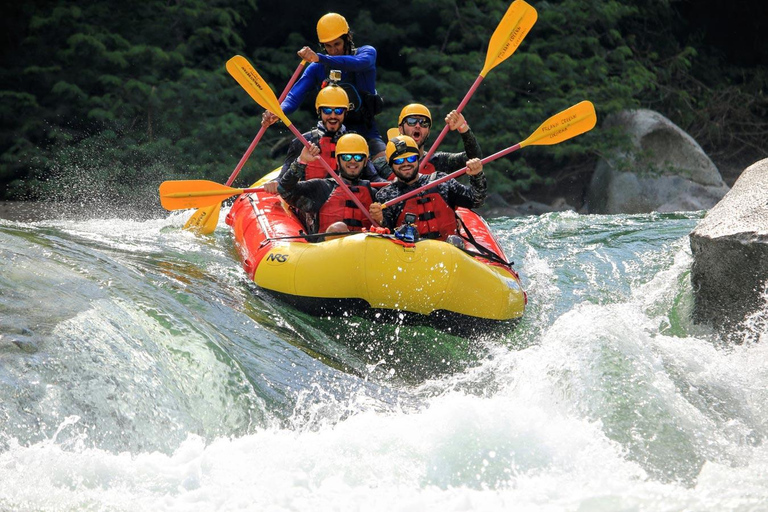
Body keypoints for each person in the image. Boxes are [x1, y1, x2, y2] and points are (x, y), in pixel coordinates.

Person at [262, 13, 386, 159]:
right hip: (329, 137)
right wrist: (278, 112)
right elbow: (293, 97)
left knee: (384, 163)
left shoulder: (366, 53)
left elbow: (359, 63)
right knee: (299, 149)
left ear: (348, 38)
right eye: (328, 46)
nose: (333, 51)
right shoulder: (317, 68)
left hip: (366, 135)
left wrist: (321, 58)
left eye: (337, 44)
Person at [263, 85, 381, 193]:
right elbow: (284, 176)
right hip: (309, 205)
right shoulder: (302, 141)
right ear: (319, 111)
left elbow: (373, 178)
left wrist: (393, 185)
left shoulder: (356, 142)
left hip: (343, 204)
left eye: (339, 111)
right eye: (327, 111)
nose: (333, 116)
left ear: (346, 112)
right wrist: (275, 182)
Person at [369, 135, 487, 241]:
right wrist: (380, 219)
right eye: (399, 160)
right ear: (391, 165)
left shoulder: (441, 182)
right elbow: (387, 232)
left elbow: (476, 200)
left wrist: (477, 175)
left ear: (417, 159)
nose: (406, 164)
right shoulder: (386, 195)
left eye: (410, 158)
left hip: (450, 253)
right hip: (411, 257)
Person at [274, 133, 377, 235]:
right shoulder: (321, 188)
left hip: (364, 249)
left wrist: (381, 220)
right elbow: (284, 190)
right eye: (346, 157)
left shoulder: (373, 195)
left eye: (358, 158)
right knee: (339, 228)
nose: (353, 161)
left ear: (365, 162)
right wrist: (302, 161)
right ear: (337, 160)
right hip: (327, 249)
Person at [372, 103, 482, 180]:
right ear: (400, 129)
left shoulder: (438, 161)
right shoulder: (382, 164)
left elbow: (474, 158)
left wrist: (463, 127)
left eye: (424, 123)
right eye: (411, 121)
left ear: (428, 131)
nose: (418, 125)